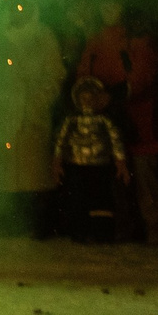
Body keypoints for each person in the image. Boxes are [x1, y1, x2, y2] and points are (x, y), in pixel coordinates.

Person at [76, 0, 158, 242]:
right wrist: (89, 93)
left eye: (113, 5)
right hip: (106, 119)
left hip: (137, 117)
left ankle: (153, 228)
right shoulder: (95, 40)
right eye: (105, 6)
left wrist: (112, 95)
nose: (109, 11)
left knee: (144, 174)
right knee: (115, 175)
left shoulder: (137, 38)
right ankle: (122, 228)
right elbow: (84, 72)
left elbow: (142, 74)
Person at [0, 0, 67, 236]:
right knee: (5, 173)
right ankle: (9, 224)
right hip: (3, 114)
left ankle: (40, 225)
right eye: (14, 5)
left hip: (33, 115)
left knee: (35, 173)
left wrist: (38, 101)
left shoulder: (44, 37)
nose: (18, 10)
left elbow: (55, 75)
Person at [50, 76, 131, 240]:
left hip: (100, 165)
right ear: (78, 99)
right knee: (79, 198)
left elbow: (115, 141)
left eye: (91, 98)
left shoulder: (104, 120)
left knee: (101, 198)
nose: (87, 101)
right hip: (76, 164)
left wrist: (121, 163)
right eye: (84, 98)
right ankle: (79, 232)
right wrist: (57, 163)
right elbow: (60, 141)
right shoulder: (71, 120)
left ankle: (102, 233)